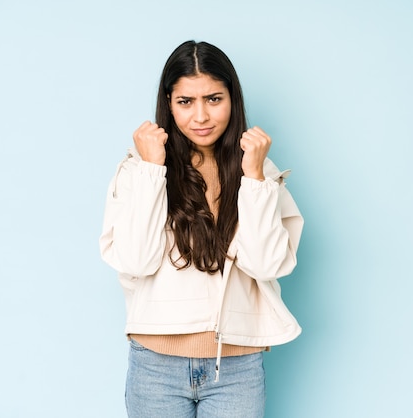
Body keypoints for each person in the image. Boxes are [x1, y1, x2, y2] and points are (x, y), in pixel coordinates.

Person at [99, 40, 304, 418]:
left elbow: (267, 266)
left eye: (213, 99)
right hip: (155, 365)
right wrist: (151, 170)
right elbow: (135, 260)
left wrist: (255, 178)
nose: (201, 116)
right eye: (185, 102)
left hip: (236, 367)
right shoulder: (139, 170)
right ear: (168, 102)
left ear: (232, 99)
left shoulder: (259, 171)